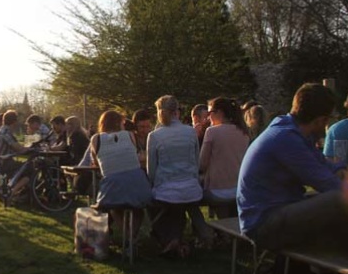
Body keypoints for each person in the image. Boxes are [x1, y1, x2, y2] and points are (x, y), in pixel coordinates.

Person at [237, 83, 348, 255]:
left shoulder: (290, 130)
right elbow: (323, 181)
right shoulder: (286, 139)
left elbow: (322, 162)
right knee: (340, 200)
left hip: (277, 210)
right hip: (263, 224)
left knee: (347, 218)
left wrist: (342, 171)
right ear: (320, 120)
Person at [147, 96, 211, 258]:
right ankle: (184, 239)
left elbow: (151, 170)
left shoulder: (154, 136)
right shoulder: (190, 132)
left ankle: (170, 239)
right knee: (183, 205)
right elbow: (196, 162)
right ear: (177, 111)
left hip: (166, 190)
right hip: (191, 189)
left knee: (157, 204)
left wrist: (155, 184)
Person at [91, 110, 151, 242]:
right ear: (119, 123)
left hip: (112, 187)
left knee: (114, 207)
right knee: (138, 210)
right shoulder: (130, 135)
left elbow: (96, 163)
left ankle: (127, 237)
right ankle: (131, 238)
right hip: (137, 184)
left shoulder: (96, 139)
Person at [200, 97, 249, 219]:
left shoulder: (212, 132)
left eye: (210, 113)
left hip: (217, 191)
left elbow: (202, 165)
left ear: (219, 113)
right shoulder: (244, 131)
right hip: (239, 189)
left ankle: (210, 232)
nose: (208, 117)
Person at [0, 110, 33, 195]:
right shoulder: (5, 132)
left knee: (21, 168)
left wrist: (24, 148)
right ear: (14, 122)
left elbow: (15, 146)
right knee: (30, 168)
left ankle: (14, 191)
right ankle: (13, 192)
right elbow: (18, 148)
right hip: (2, 163)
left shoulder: (1, 130)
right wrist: (30, 149)